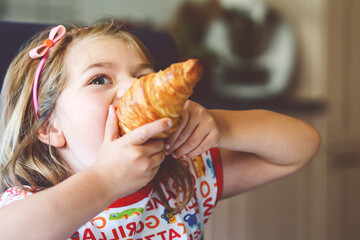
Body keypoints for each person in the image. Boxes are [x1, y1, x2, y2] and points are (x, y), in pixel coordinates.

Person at [0, 20, 321, 240]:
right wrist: (105, 181)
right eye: (100, 79)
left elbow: (301, 148)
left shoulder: (183, 181)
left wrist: (223, 126)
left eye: (143, 76)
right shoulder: (30, 204)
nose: (131, 88)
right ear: (49, 126)